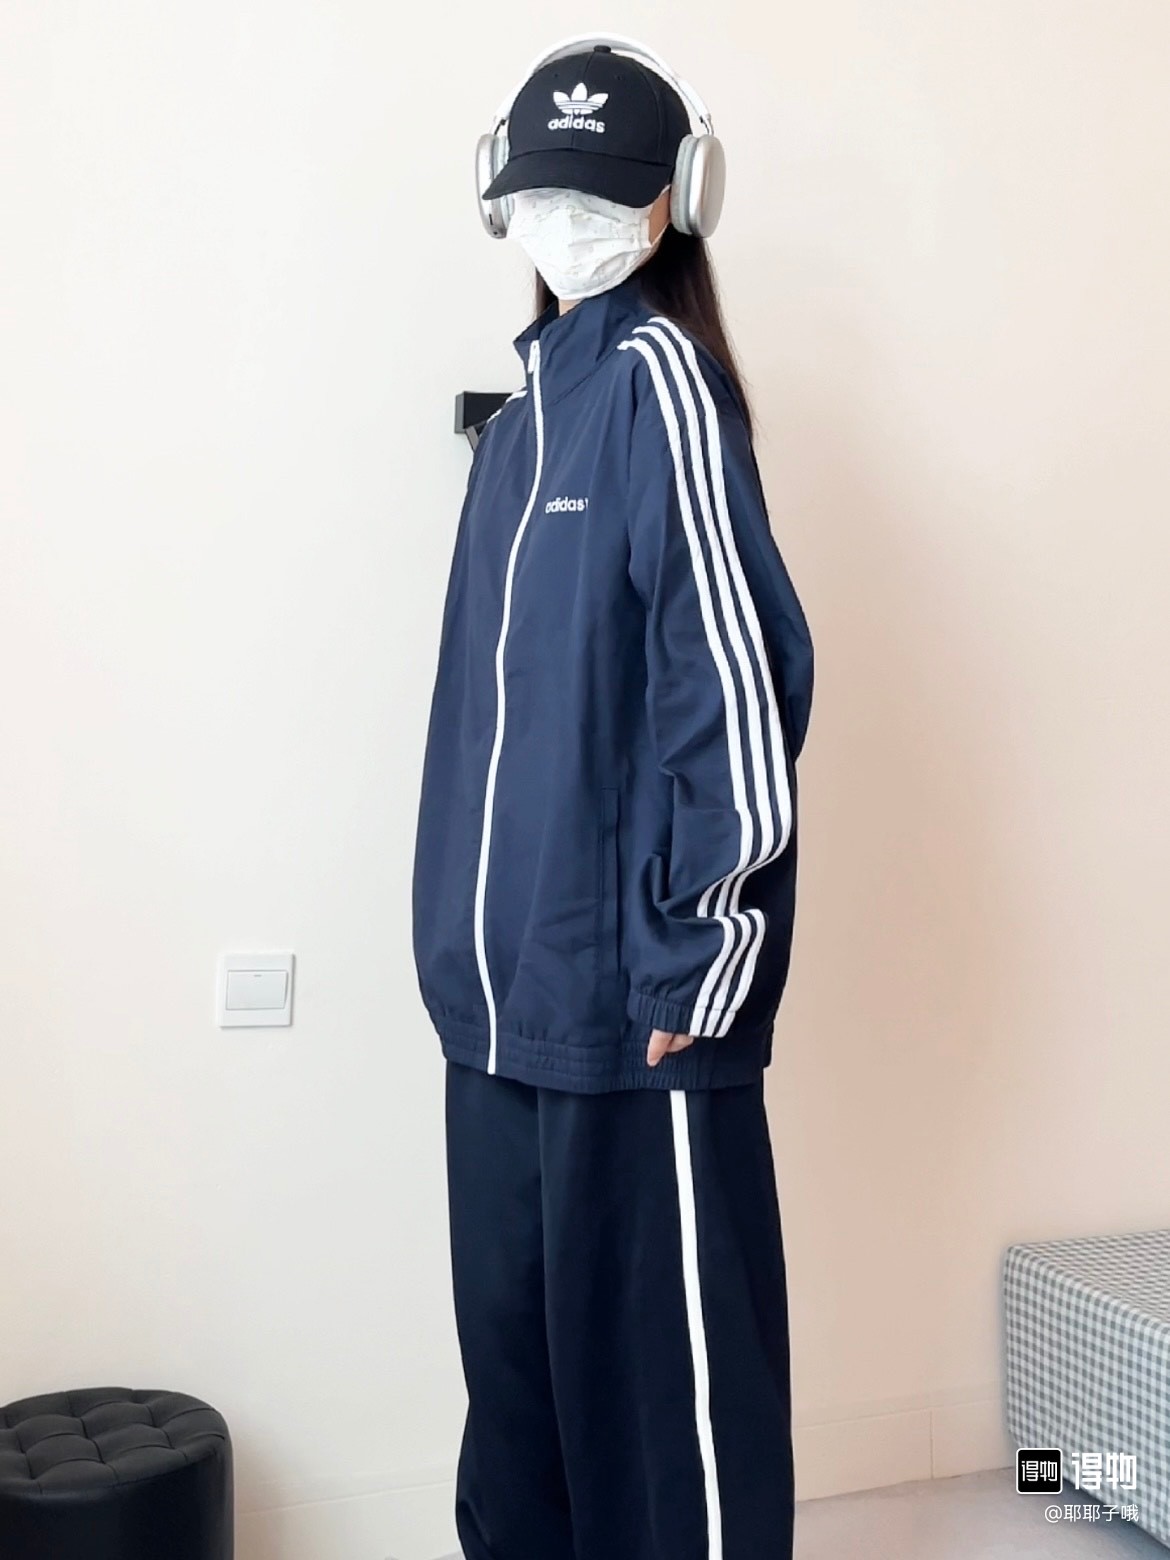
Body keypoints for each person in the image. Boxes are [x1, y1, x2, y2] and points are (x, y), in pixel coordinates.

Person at [411, 35, 815, 1560]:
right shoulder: (519, 422)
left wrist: (703, 953)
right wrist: (453, 960)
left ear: (674, 201)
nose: (567, 222)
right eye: (543, 193)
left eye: (603, 193)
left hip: (634, 1012)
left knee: (667, 1441)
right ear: (498, 202)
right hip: (493, 1012)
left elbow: (734, 680)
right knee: (518, 1415)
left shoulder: (663, 390)